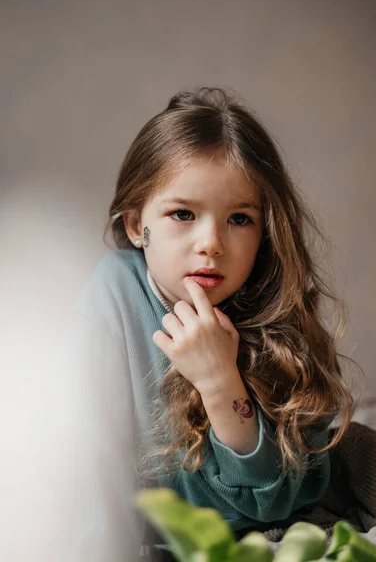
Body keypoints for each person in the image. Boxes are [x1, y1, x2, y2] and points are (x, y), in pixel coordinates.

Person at [62, 87, 355, 561]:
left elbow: (279, 499)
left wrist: (221, 381)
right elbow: (90, 459)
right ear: (138, 225)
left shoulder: (276, 304)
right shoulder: (113, 293)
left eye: (240, 218)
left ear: (265, 232)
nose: (211, 243)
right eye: (182, 214)